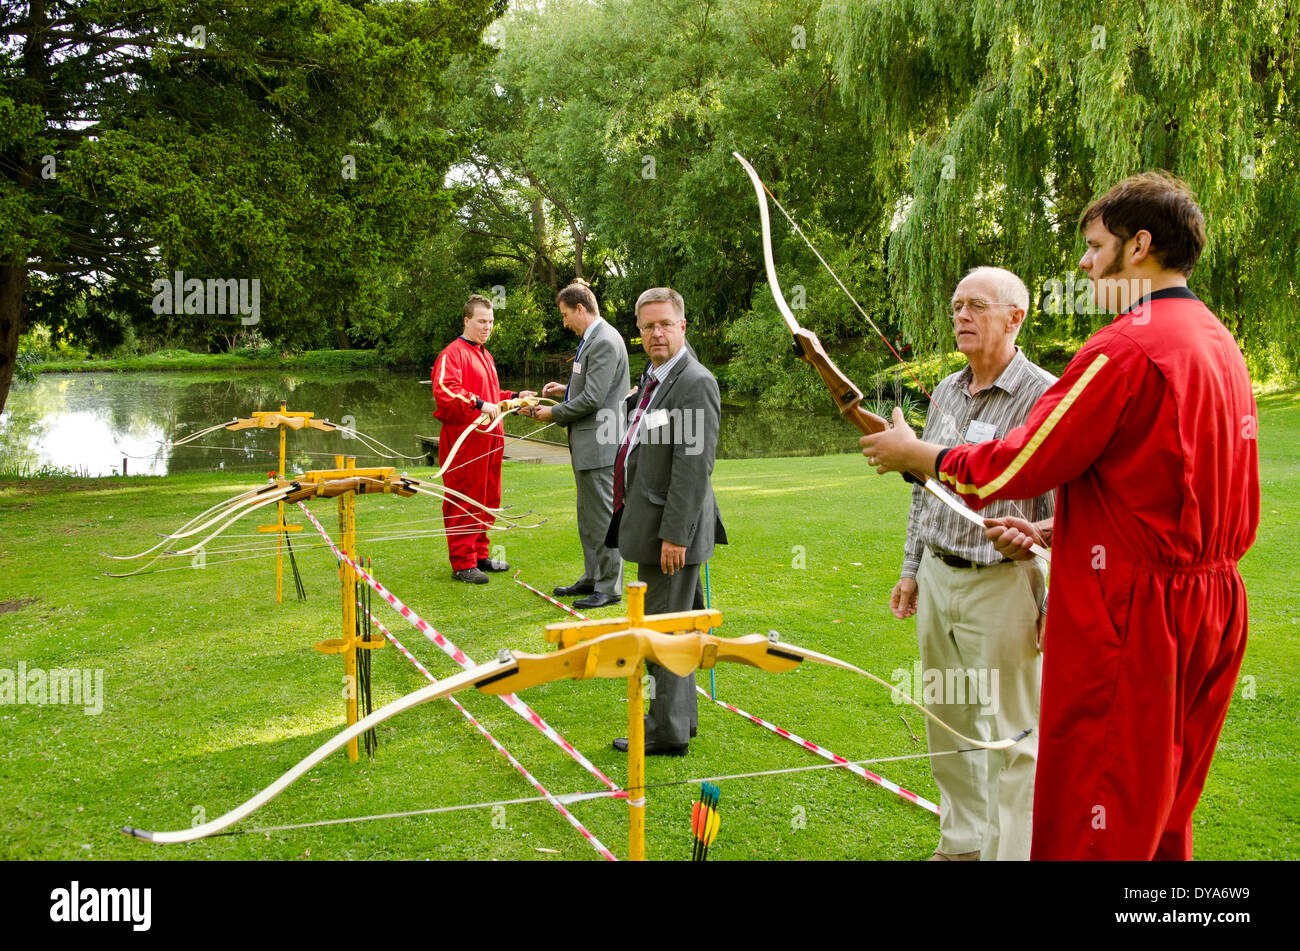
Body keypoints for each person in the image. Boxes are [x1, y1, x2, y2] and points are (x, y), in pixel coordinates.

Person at [860, 172, 1259, 860]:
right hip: (1208, 605)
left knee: (1095, 810)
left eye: (1094, 245)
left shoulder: (1124, 348)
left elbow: (1018, 465)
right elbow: (1170, 486)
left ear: (1138, 246)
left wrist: (918, 453)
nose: (1083, 262)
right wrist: (1054, 531)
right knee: (1159, 806)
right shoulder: (1217, 341)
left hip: (1137, 616)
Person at [891, 266, 1055, 862]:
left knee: (1014, 735)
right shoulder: (949, 390)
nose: (960, 315)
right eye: (957, 305)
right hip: (938, 577)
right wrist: (911, 568)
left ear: (1015, 317)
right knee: (949, 721)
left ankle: (1007, 856)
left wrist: (1048, 581)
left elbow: (1072, 512)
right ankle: (959, 845)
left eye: (976, 306)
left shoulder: (1046, 395)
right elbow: (922, 486)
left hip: (1005, 584)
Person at [605, 287, 725, 756]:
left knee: (659, 634)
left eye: (665, 324)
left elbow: (693, 467)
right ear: (639, 332)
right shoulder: (656, 377)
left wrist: (675, 535)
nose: (657, 333)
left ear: (682, 326)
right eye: (648, 326)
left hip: (669, 536)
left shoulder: (694, 381)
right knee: (679, 629)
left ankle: (664, 731)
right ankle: (681, 721)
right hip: (654, 529)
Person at [526, 282, 629, 609]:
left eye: (566, 315)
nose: (564, 322)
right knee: (587, 517)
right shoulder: (592, 339)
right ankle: (592, 577)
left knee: (602, 518)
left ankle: (609, 588)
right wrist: (563, 390)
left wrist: (552, 413)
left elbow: (595, 399)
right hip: (588, 446)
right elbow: (589, 387)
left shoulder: (603, 341)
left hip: (600, 445)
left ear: (581, 309)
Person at [431, 294, 534, 584]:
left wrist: (515, 398)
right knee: (465, 497)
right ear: (467, 320)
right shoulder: (453, 354)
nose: (487, 326)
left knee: (488, 497)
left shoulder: (485, 354)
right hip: (466, 442)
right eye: (481, 321)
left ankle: (479, 555)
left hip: (491, 441)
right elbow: (446, 391)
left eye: (490, 321)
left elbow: (492, 398)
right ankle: (462, 563)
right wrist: (477, 404)